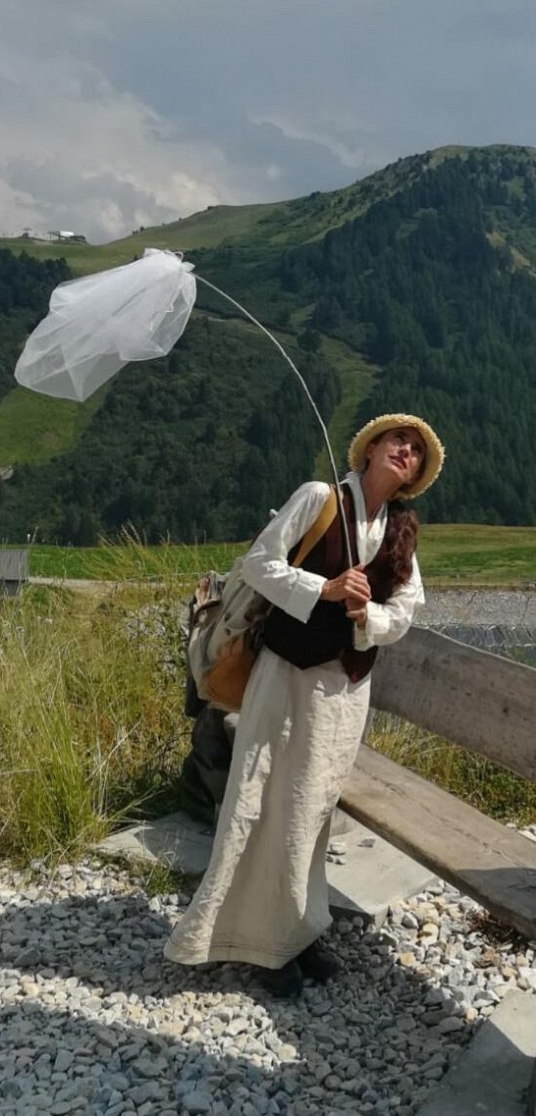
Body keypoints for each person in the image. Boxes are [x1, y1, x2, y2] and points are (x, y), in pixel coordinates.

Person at [164, 413, 445, 996]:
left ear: (416, 474)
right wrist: (325, 588)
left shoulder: (400, 531)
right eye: (399, 439)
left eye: (416, 450)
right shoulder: (319, 498)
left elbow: (406, 612)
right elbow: (259, 565)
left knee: (311, 814)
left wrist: (367, 616)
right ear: (369, 449)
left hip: (345, 695)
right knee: (265, 803)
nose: (406, 451)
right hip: (288, 680)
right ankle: (263, 946)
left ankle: (297, 930)